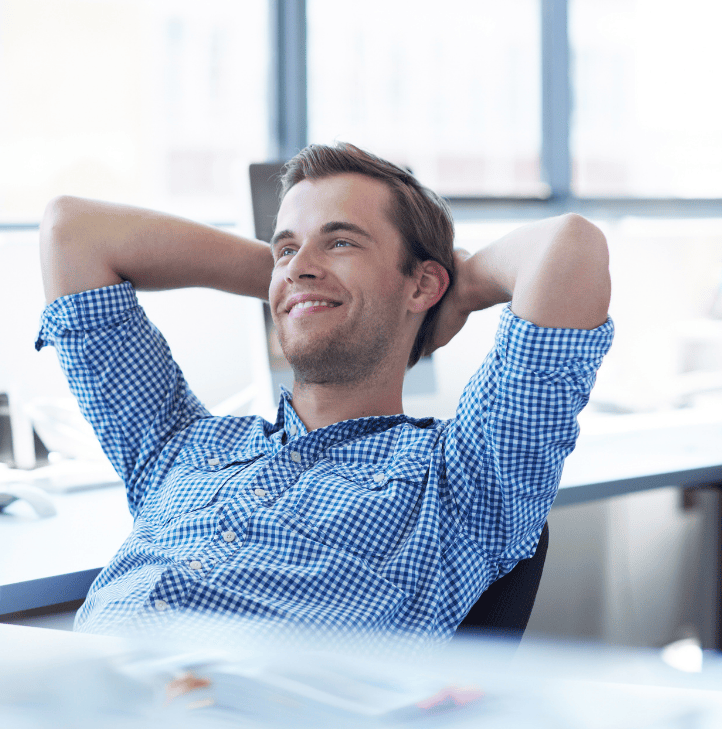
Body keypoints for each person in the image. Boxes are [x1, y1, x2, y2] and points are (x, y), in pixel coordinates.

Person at [35, 142, 613, 647]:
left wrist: (455, 293)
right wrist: (296, 284)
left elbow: (569, 247)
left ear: (422, 283)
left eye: (340, 242)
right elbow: (72, 231)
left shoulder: (461, 481)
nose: (298, 265)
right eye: (285, 249)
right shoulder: (178, 446)